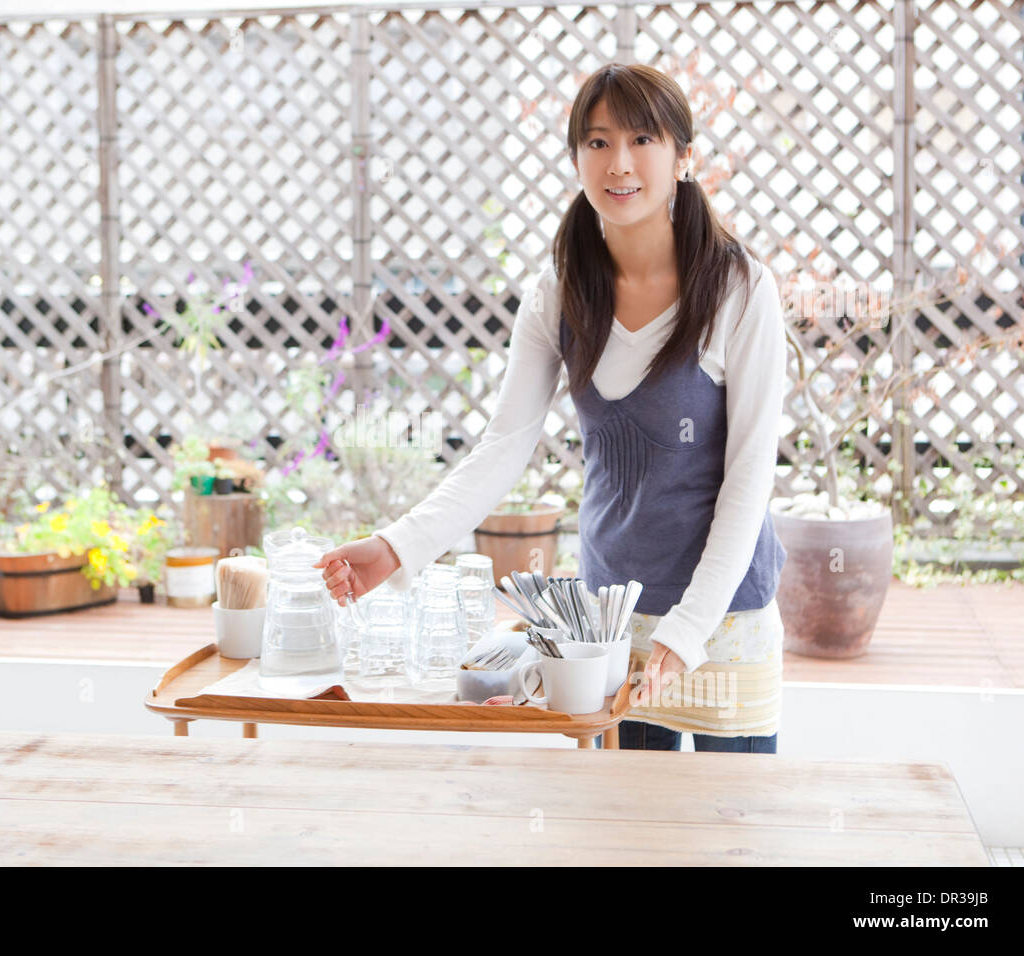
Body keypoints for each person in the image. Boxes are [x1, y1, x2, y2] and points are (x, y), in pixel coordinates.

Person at [313, 63, 788, 753]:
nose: (619, 163)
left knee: (731, 836)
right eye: (596, 143)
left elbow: (749, 483)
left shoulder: (741, 289)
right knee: (625, 839)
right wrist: (396, 548)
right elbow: (503, 448)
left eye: (642, 139)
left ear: (683, 156)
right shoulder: (560, 292)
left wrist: (686, 635)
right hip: (606, 619)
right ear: (575, 159)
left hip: (724, 619)